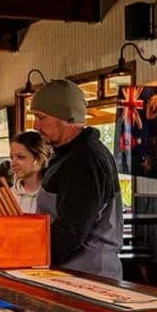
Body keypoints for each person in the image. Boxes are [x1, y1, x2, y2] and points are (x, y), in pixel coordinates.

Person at [31, 80, 122, 278]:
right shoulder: (68, 155)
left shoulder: (84, 160)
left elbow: (71, 231)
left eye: (41, 117)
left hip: (89, 275)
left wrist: (28, 258)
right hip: (70, 271)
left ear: (67, 118)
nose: (35, 125)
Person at [9, 130, 52, 214]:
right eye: (12, 157)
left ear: (39, 160)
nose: (13, 163)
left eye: (20, 157)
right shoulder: (9, 196)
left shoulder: (52, 196)